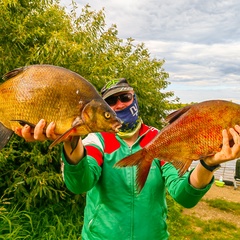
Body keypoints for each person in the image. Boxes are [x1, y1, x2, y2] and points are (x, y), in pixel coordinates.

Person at [15, 79, 240, 240]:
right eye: (111, 102)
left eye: (125, 97)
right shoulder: (97, 140)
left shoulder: (159, 139)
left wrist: (209, 163)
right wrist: (71, 140)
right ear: (103, 109)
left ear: (135, 99)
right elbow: (80, 184)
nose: (120, 104)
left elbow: (184, 196)